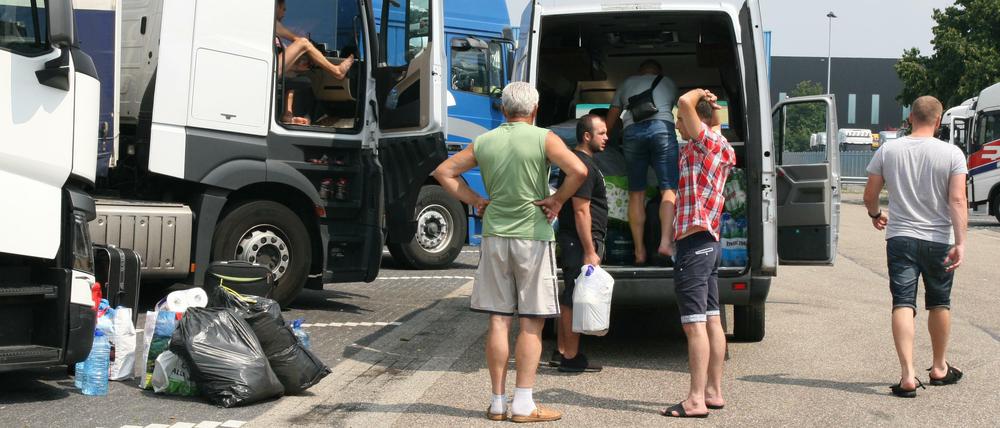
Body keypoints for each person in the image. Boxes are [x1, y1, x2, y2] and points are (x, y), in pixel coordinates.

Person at [432, 82, 588, 422]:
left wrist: (475, 200)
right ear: (534, 110)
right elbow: (579, 171)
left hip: (494, 236)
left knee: (499, 321)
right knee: (531, 324)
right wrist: (558, 200)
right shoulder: (543, 138)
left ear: (503, 110)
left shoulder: (485, 141)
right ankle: (524, 404)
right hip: (532, 235)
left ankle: (498, 402)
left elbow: (444, 172)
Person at [863, 95, 967, 398]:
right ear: (938, 121)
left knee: (903, 302)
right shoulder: (952, 153)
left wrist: (875, 214)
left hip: (900, 237)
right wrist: (960, 242)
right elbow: (958, 200)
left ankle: (907, 375)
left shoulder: (889, 149)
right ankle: (938, 368)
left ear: (910, 118)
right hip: (938, 239)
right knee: (939, 302)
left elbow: (871, 194)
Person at [662, 89, 734, 418]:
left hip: (694, 243)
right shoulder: (719, 145)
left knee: (694, 326)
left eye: (680, 120)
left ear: (696, 120)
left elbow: (684, 103)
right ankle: (713, 391)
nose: (678, 125)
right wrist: (712, 110)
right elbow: (710, 122)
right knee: (712, 320)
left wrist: (698, 94)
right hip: (711, 243)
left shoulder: (704, 143)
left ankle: (694, 400)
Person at [551, 114, 609, 373]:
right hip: (578, 240)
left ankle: (563, 351)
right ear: (587, 136)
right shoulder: (582, 166)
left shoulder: (579, 163)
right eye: (602, 133)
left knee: (570, 295)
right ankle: (570, 357)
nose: (607, 137)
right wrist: (589, 250)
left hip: (575, 240)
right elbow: (581, 211)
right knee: (574, 296)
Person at [606, 60, 679, 265]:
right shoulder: (668, 82)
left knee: (636, 193)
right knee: (668, 189)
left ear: (640, 72)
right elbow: (682, 110)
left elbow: (611, 119)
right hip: (662, 129)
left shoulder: (628, 82)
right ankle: (665, 242)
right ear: (659, 72)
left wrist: (603, 141)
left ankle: (639, 252)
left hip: (632, 132)